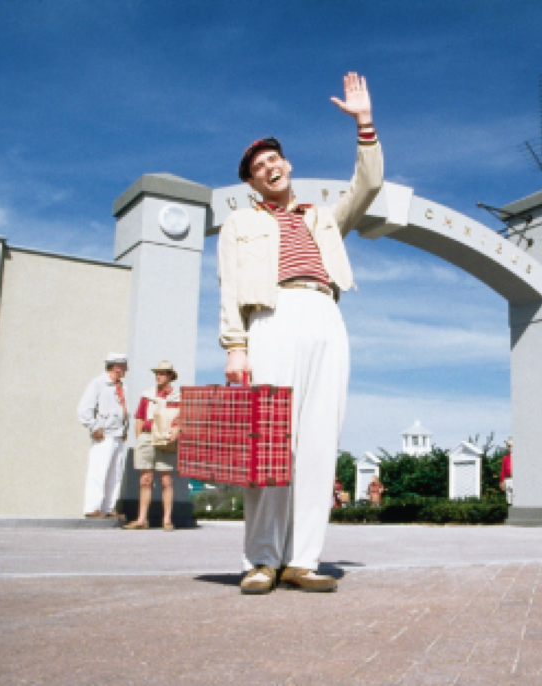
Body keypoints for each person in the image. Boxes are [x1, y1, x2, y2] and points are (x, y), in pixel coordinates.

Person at [219, 72, 382, 595]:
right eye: (258, 168)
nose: (270, 169)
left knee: (318, 441)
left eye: (275, 160)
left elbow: (370, 184)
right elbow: (228, 290)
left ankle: (303, 558)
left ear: (288, 165)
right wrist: (236, 348)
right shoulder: (239, 224)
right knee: (272, 441)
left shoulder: (323, 218)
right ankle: (262, 559)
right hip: (271, 316)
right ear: (251, 183)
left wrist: (363, 121)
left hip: (325, 313)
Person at [124, 361, 180, 532]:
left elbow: (181, 418)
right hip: (148, 437)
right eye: (157, 373)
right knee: (145, 479)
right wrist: (140, 438)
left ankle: (167, 519)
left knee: (166, 480)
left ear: (170, 375)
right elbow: (139, 418)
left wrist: (176, 431)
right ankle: (141, 519)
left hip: (165, 438)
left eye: (162, 373)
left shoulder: (177, 397)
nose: (159, 376)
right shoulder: (147, 395)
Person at [77, 353, 129, 518]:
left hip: (118, 435)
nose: (127, 369)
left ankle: (108, 508)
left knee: (115, 473)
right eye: (124, 365)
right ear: (116, 367)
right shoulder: (99, 384)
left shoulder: (122, 387)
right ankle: (92, 507)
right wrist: (94, 427)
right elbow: (84, 409)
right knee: (98, 471)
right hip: (104, 435)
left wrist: (125, 429)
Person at [499, 438, 513, 505]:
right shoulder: (506, 458)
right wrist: (502, 482)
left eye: (511, 446)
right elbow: (503, 471)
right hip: (508, 479)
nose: (510, 448)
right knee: (509, 500)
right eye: (509, 446)